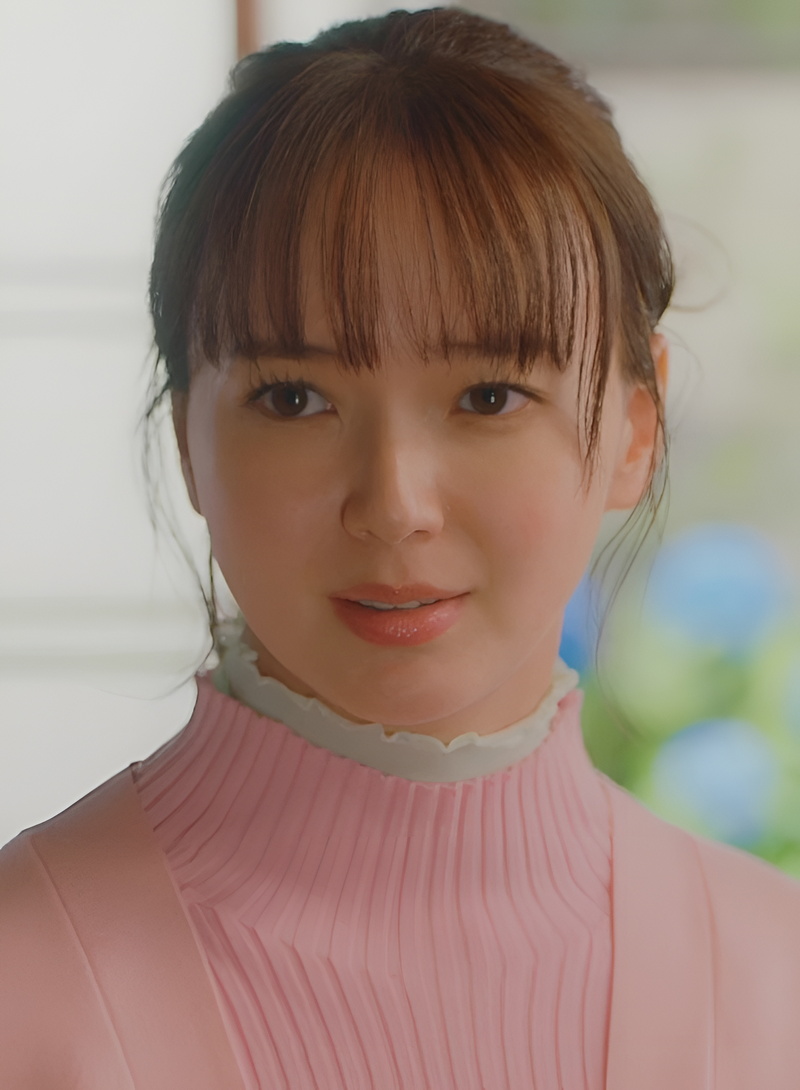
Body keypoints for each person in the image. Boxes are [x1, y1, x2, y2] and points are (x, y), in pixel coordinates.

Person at [2, 7, 800, 1088]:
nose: (393, 506)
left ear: (635, 426)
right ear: (188, 435)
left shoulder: (775, 981)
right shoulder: (24, 983)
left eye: (488, 396)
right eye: (295, 397)